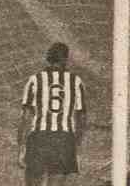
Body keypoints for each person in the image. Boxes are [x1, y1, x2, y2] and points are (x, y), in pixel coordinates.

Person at [17, 42, 87, 186]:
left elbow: (25, 117)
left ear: (48, 58)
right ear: (66, 59)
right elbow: (82, 118)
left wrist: (21, 147)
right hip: (64, 139)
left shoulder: (35, 80)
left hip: (39, 138)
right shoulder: (76, 81)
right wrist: (76, 146)